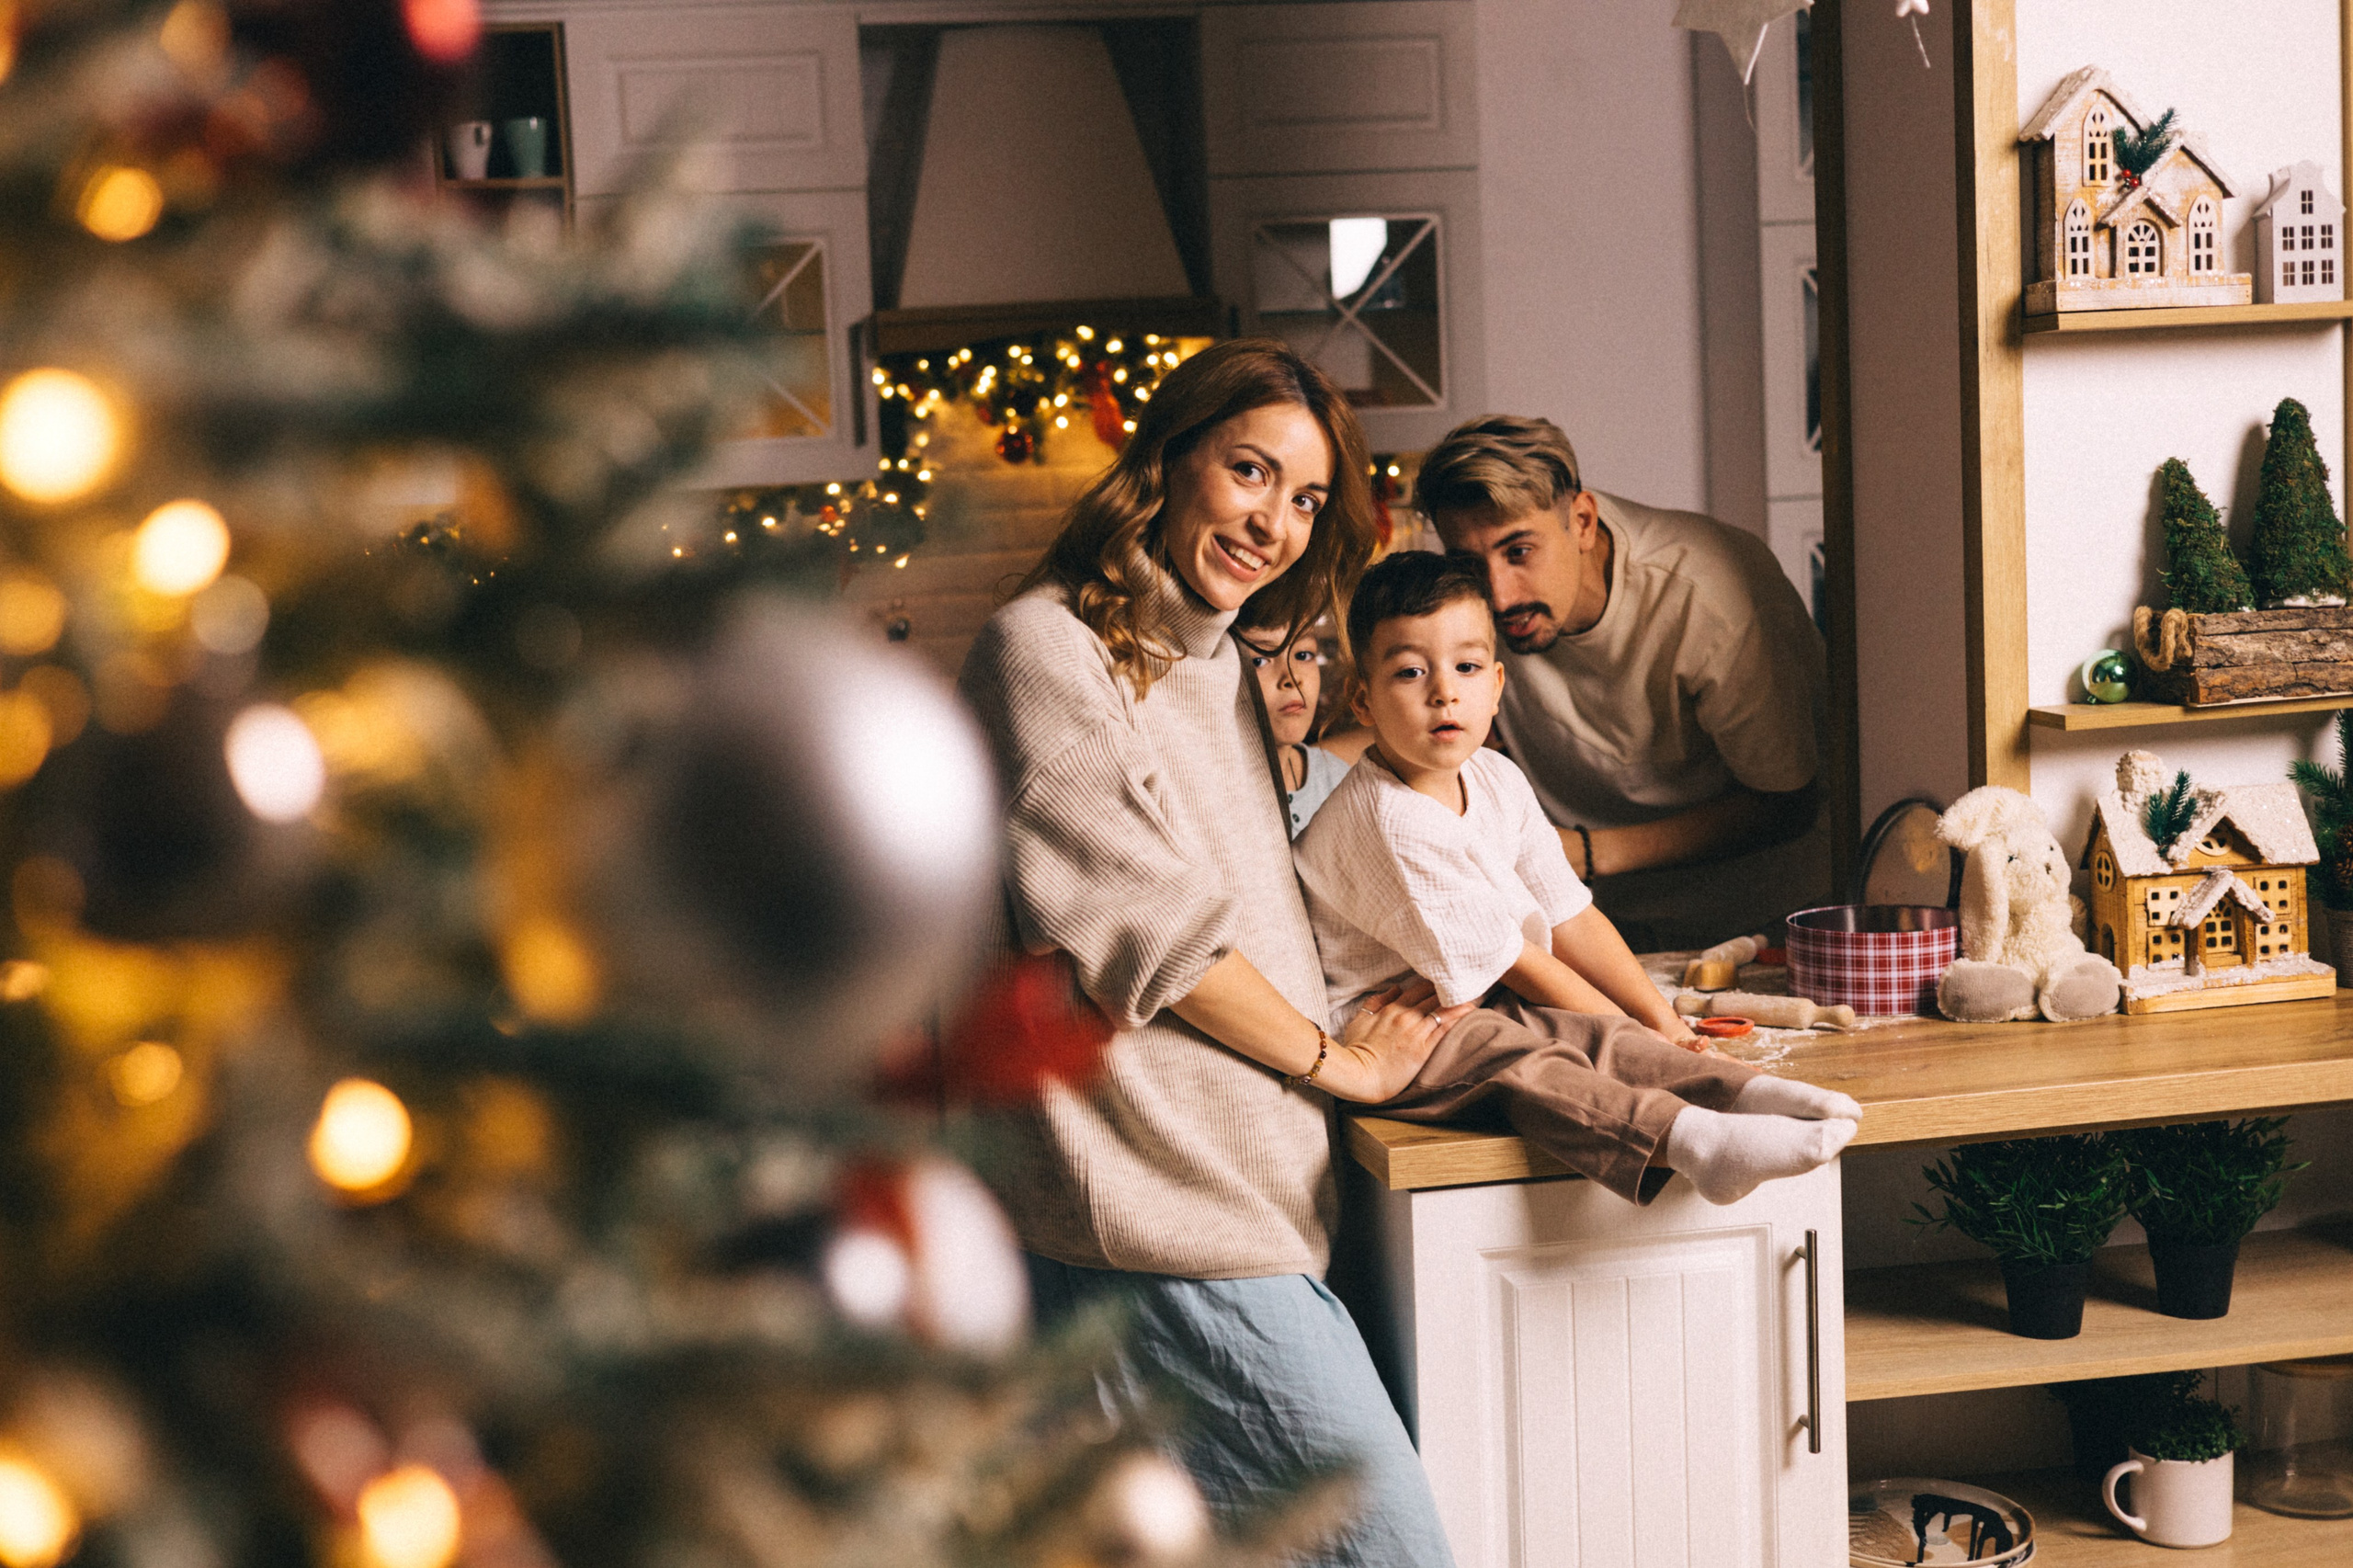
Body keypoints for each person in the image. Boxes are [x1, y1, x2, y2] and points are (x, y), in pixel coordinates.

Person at [957, 339, 1461, 1567]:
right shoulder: (1043, 648)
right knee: (1393, 1551)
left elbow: (1249, 892)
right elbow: (1163, 941)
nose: (1276, 522)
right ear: (1171, 456)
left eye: (1305, 500)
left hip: (1251, 1196)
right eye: (1250, 471)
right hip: (1153, 1214)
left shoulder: (1218, 660)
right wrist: (1344, 1064)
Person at [1293, 551, 1859, 1203]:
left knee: (1586, 1031)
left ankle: (1742, 1094)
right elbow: (1524, 965)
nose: (1444, 691)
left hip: (1472, 991)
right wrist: (1636, 1031)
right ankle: (1686, 1139)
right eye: (1410, 672)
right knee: (1527, 1062)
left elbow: (1570, 914)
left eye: (1467, 667)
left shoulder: (1496, 778)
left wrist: (1668, 1029)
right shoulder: (1391, 818)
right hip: (1392, 1024)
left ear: (1498, 685)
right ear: (1363, 699)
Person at [1413, 415, 1831, 949]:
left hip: (1762, 919)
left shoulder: (1710, 598)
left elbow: (1788, 803)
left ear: (1582, 521)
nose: (1498, 597)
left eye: (1519, 552)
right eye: (1469, 563)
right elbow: (1416, 705)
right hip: (1595, 918)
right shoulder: (1478, 592)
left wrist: (1586, 852)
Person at [1240, 612, 1351, 837]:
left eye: (1303, 655)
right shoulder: (1208, 795)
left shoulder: (1339, 781)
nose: (1291, 677)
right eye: (1259, 661)